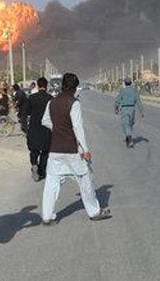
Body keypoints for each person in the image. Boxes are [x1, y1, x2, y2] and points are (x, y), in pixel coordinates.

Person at [41, 73, 111, 225]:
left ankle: (47, 216)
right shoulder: (74, 103)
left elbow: (45, 120)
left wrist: (58, 129)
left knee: (52, 183)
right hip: (72, 149)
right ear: (74, 87)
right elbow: (78, 128)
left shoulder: (52, 102)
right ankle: (94, 211)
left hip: (55, 149)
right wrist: (85, 150)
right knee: (85, 179)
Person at [25, 77, 53, 181]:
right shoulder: (50, 98)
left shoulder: (32, 98)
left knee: (34, 149)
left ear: (37, 85)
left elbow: (27, 112)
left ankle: (34, 165)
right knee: (45, 151)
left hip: (34, 128)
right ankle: (41, 170)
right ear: (46, 86)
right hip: (46, 129)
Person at [114, 76, 145, 148]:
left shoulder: (122, 91)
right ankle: (128, 137)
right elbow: (139, 101)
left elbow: (118, 100)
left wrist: (116, 108)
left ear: (125, 83)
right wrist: (141, 111)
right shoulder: (134, 91)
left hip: (124, 109)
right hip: (132, 109)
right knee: (130, 123)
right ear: (131, 83)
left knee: (125, 124)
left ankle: (129, 137)